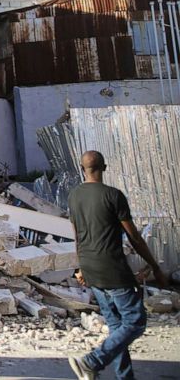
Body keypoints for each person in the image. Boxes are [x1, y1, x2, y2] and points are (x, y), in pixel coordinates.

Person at [67, 150, 167, 380]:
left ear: (82, 169)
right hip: (112, 268)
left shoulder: (74, 195)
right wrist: (155, 266)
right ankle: (91, 361)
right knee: (135, 322)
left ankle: (124, 377)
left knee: (116, 326)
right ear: (105, 167)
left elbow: (77, 236)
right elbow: (133, 237)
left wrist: (81, 266)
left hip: (91, 268)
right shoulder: (113, 195)